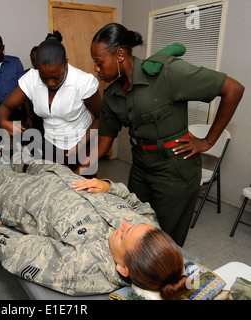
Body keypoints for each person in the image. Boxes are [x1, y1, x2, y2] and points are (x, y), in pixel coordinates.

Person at [0, 136, 190, 299]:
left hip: (27, 199)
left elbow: (26, 254)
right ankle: (15, 154)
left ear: (122, 268)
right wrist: (108, 186)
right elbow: (141, 207)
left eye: (124, 233)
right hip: (68, 179)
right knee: (35, 163)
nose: (124, 224)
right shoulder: (148, 231)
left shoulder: (86, 268)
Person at [90, 23, 245, 246]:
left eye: (99, 62)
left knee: (166, 242)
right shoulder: (112, 95)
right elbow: (103, 145)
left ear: (120, 54)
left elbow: (233, 89)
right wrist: (78, 174)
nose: (96, 69)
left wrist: (208, 141)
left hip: (175, 168)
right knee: (135, 229)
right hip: (141, 167)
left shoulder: (166, 73)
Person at [0, 36, 102, 177]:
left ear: (66, 64)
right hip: (51, 147)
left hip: (83, 145)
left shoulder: (82, 82)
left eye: (56, 77)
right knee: (54, 189)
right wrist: (3, 121)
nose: (51, 83)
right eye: (44, 78)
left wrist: (81, 145)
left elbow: (101, 118)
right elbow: (6, 107)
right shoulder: (31, 79)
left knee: (82, 190)